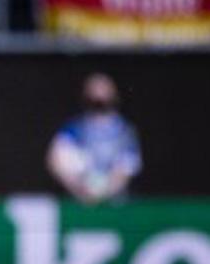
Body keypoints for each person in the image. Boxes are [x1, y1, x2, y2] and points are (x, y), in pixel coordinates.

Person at [47, 72, 141, 205]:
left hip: (115, 203)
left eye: (103, 92)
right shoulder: (74, 129)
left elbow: (126, 167)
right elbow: (55, 161)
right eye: (94, 93)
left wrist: (104, 192)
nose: (99, 97)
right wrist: (79, 189)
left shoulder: (124, 131)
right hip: (80, 201)